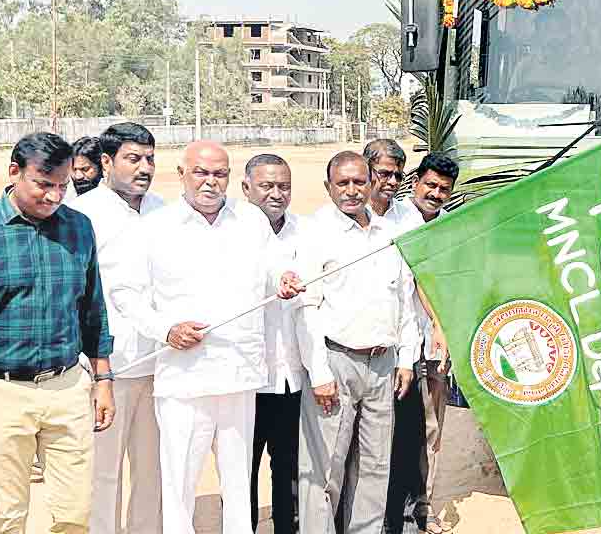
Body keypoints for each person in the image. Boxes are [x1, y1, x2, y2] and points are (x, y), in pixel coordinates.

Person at [116, 141, 299, 534]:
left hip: (240, 375)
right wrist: (165, 330)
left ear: (230, 178)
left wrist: (283, 278)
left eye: (219, 174)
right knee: (178, 482)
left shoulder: (251, 221)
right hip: (185, 379)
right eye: (201, 172)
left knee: (238, 484)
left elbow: (275, 266)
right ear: (182, 174)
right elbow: (125, 294)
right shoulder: (154, 228)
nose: (210, 182)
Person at [0, 132, 115, 534]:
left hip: (67, 386)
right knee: (7, 516)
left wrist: (103, 378)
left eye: (63, 185)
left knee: (75, 514)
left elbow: (93, 307)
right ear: (14, 173)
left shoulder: (79, 228)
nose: (55, 196)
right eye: (44, 184)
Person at [296, 151, 419, 534]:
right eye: (342, 183)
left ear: (371, 183)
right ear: (328, 187)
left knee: (375, 465)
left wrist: (406, 359)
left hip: (384, 365)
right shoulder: (316, 231)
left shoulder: (387, 234)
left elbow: (403, 298)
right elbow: (307, 307)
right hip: (336, 362)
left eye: (359, 182)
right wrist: (318, 373)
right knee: (324, 469)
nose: (352, 190)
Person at [68, 123, 163, 534]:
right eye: (133, 158)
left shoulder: (165, 211)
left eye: (149, 159)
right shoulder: (82, 217)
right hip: (106, 369)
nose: (144, 168)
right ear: (106, 162)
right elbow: (76, 295)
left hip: (161, 363)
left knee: (154, 471)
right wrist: (91, 366)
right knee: (103, 474)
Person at [384, 153, 459, 534]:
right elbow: (413, 276)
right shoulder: (392, 220)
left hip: (433, 350)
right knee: (390, 434)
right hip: (396, 345)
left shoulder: (449, 227)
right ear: (416, 182)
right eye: (430, 185)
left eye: (444, 189)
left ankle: (421, 512)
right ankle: (384, 513)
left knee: (431, 431)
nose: (435, 193)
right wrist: (437, 321)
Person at [243, 153, 302, 534]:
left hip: (292, 376)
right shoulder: (233, 233)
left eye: (284, 186)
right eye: (267, 185)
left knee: (290, 468)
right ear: (246, 188)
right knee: (240, 470)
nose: (276, 193)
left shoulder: (305, 231)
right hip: (247, 378)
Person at [363, 139, 411, 220]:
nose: (393, 182)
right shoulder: (348, 217)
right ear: (366, 172)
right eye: (384, 174)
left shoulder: (408, 216)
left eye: (398, 176)